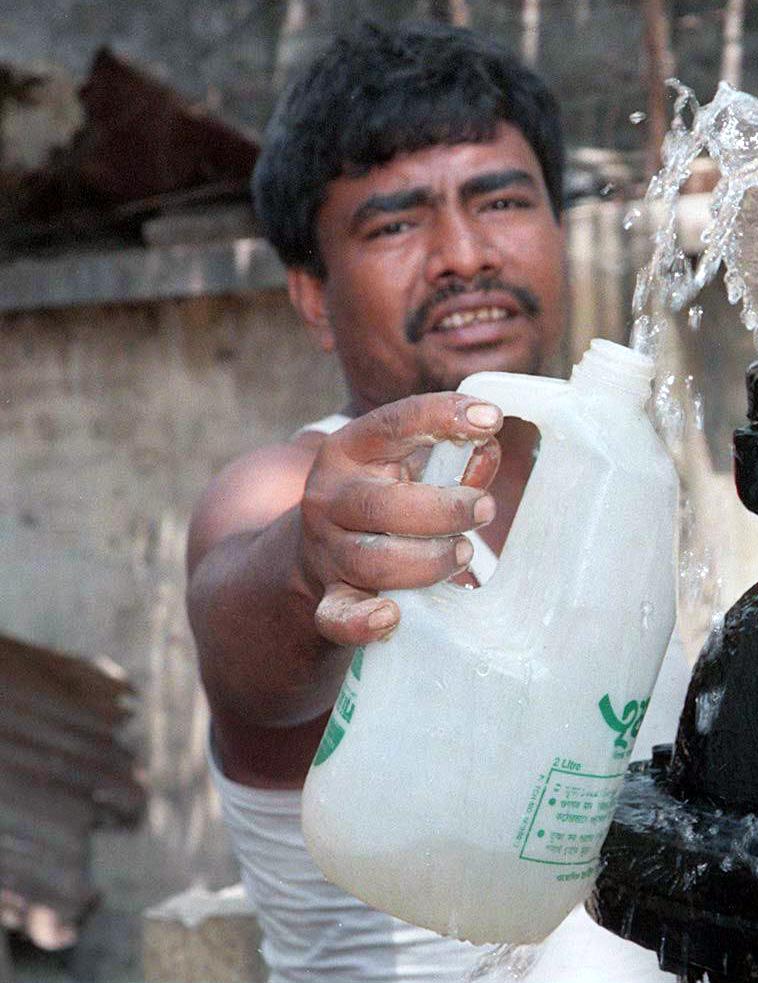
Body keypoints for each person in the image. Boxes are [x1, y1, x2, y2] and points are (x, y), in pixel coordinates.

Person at [185, 22, 682, 982]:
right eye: (396, 222)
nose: (464, 254)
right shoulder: (292, 492)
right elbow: (246, 629)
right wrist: (309, 561)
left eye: (500, 200)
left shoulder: (611, 497)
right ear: (311, 295)